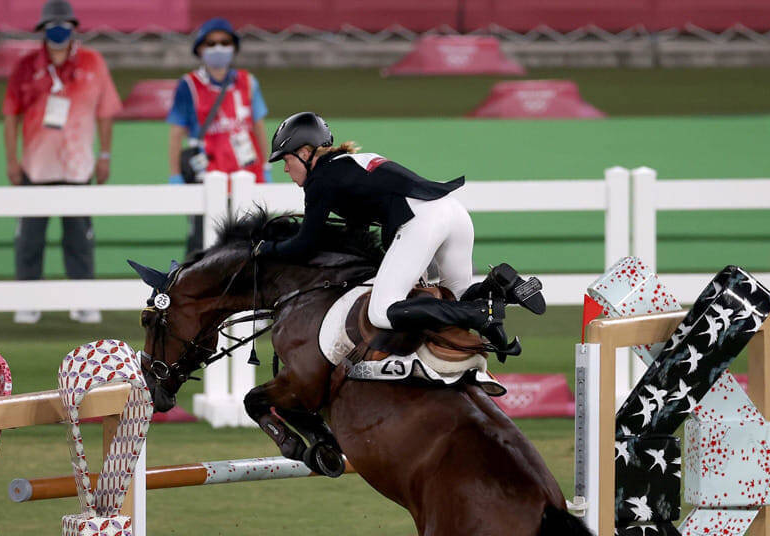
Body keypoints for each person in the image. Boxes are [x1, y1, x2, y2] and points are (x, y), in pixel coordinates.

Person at [253, 112, 545, 359]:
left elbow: (305, 244)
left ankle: (482, 312)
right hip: (453, 212)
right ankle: (498, 285)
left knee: (382, 312)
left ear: (305, 153)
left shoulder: (320, 180)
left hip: (423, 220)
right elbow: (357, 233)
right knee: (453, 303)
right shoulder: (347, 165)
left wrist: (264, 249)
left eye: (286, 161)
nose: (286, 170)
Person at [3, 0, 121, 325]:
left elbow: (106, 111)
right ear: (43, 29)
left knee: (79, 238)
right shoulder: (26, 65)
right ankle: (27, 300)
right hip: (36, 166)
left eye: (64, 25)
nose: (58, 31)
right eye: (52, 26)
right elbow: (10, 114)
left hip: (78, 165)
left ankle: (83, 301)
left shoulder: (93, 62)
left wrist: (105, 155)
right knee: (29, 238)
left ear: (73, 28)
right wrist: (12, 160)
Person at [167, 17, 270, 256]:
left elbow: (258, 126)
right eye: (211, 43)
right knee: (203, 240)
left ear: (233, 47)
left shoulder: (248, 82)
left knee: (251, 240)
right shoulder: (188, 85)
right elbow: (176, 133)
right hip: (207, 174)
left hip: (246, 172)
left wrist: (265, 165)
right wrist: (175, 175)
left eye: (224, 42)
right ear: (200, 49)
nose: (218, 48)